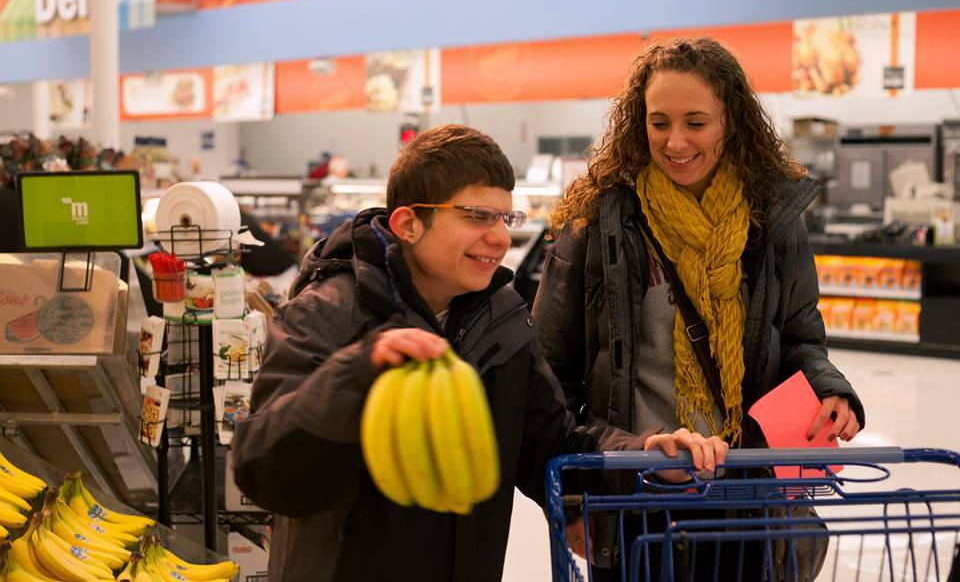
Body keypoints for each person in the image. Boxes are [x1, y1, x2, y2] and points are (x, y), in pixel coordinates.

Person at [231, 124, 649, 582]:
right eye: (476, 216)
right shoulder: (324, 315)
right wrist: (356, 374)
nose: (500, 239)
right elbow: (263, 469)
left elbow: (551, 443)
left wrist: (645, 455)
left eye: (504, 219)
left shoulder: (502, 318)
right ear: (408, 223)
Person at [532, 37, 865, 578]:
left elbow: (803, 337)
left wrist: (830, 389)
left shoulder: (772, 221)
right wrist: (573, 500)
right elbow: (550, 373)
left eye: (695, 121)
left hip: (747, 489)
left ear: (728, 121)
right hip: (635, 489)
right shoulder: (599, 222)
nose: (675, 141)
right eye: (659, 122)